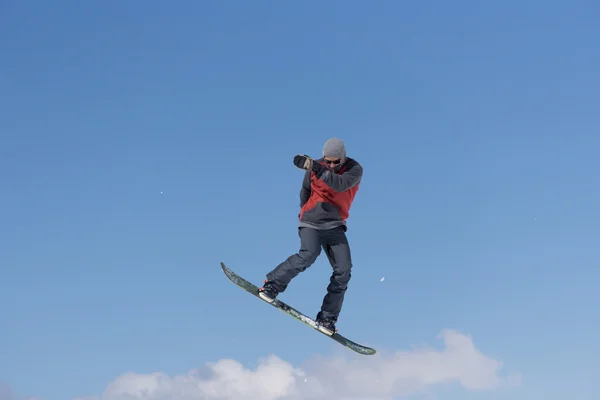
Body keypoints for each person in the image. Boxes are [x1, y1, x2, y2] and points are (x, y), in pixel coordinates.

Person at [258, 137, 363, 335]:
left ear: (343, 157)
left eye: (335, 162)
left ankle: (327, 318)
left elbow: (339, 185)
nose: (331, 165)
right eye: (327, 161)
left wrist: (317, 168)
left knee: (344, 270)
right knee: (308, 254)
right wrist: (306, 210)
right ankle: (272, 284)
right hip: (311, 222)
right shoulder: (316, 167)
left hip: (335, 225)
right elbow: (305, 190)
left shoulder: (354, 170)